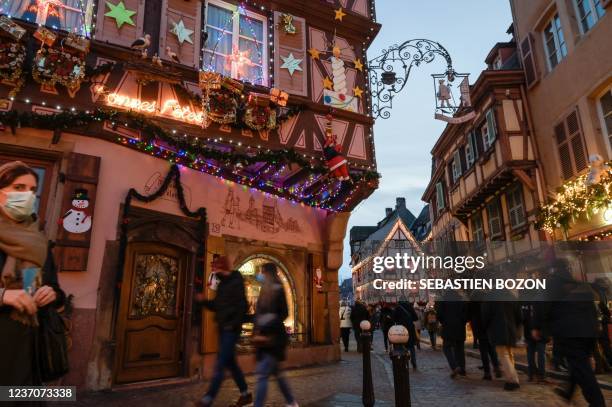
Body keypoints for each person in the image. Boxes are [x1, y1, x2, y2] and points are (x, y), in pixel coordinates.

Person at [0, 161, 65, 386]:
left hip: (28, 349)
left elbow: (55, 289)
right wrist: (3, 295)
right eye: (19, 188)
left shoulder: (38, 242)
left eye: (32, 190)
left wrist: (51, 294)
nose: (27, 195)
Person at [533, 260, 606, 406]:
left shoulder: (552, 285)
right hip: (589, 331)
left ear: (552, 270)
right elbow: (594, 308)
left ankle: (597, 403)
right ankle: (569, 391)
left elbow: (542, 307)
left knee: (582, 369)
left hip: (570, 332)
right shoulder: (580, 285)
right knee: (578, 363)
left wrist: (538, 327)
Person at [196, 256, 252, 407]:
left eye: (215, 267)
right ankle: (245, 394)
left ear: (223, 267)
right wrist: (203, 301)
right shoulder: (222, 284)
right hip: (223, 329)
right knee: (231, 364)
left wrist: (232, 325)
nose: (213, 269)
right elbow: (216, 305)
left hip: (230, 330)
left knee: (220, 365)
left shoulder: (236, 280)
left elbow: (242, 306)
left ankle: (208, 399)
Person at [252, 263, 298, 407]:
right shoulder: (264, 289)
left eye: (263, 272)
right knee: (278, 375)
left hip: (273, 338)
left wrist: (268, 321)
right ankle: (291, 401)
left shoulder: (277, 288)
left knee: (263, 374)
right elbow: (259, 313)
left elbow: (284, 313)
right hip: (265, 338)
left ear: (269, 273)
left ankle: (258, 404)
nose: (261, 275)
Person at [482, 291, 522, 391]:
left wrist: (486, 328)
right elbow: (519, 315)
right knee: (508, 354)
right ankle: (511, 378)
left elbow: (486, 315)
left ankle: (513, 380)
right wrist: (516, 328)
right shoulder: (511, 296)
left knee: (503, 355)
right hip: (511, 329)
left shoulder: (490, 296)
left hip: (497, 331)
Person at [436, 290, 467, 378]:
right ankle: (463, 369)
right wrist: (462, 322)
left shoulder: (444, 302)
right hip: (460, 328)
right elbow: (466, 315)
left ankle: (454, 366)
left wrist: (444, 322)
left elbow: (439, 315)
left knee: (447, 348)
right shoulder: (461, 301)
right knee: (460, 349)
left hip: (448, 328)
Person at [468, 298, 501, 380]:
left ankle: (487, 372)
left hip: (479, 327)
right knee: (491, 349)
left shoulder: (473, 299)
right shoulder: (488, 298)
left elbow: (468, 314)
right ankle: (496, 367)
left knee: (484, 352)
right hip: (489, 327)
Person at [522, 302, 547, 383]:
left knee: (530, 354)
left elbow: (523, 318)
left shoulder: (525, 302)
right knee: (541, 354)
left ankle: (531, 374)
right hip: (540, 331)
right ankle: (541, 376)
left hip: (529, 331)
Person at [393, 300, 418, 369]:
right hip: (410, 329)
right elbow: (416, 318)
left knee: (402, 346)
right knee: (411, 346)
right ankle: (414, 362)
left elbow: (394, 319)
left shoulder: (397, 308)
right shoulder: (410, 307)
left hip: (401, 329)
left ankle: (405, 363)